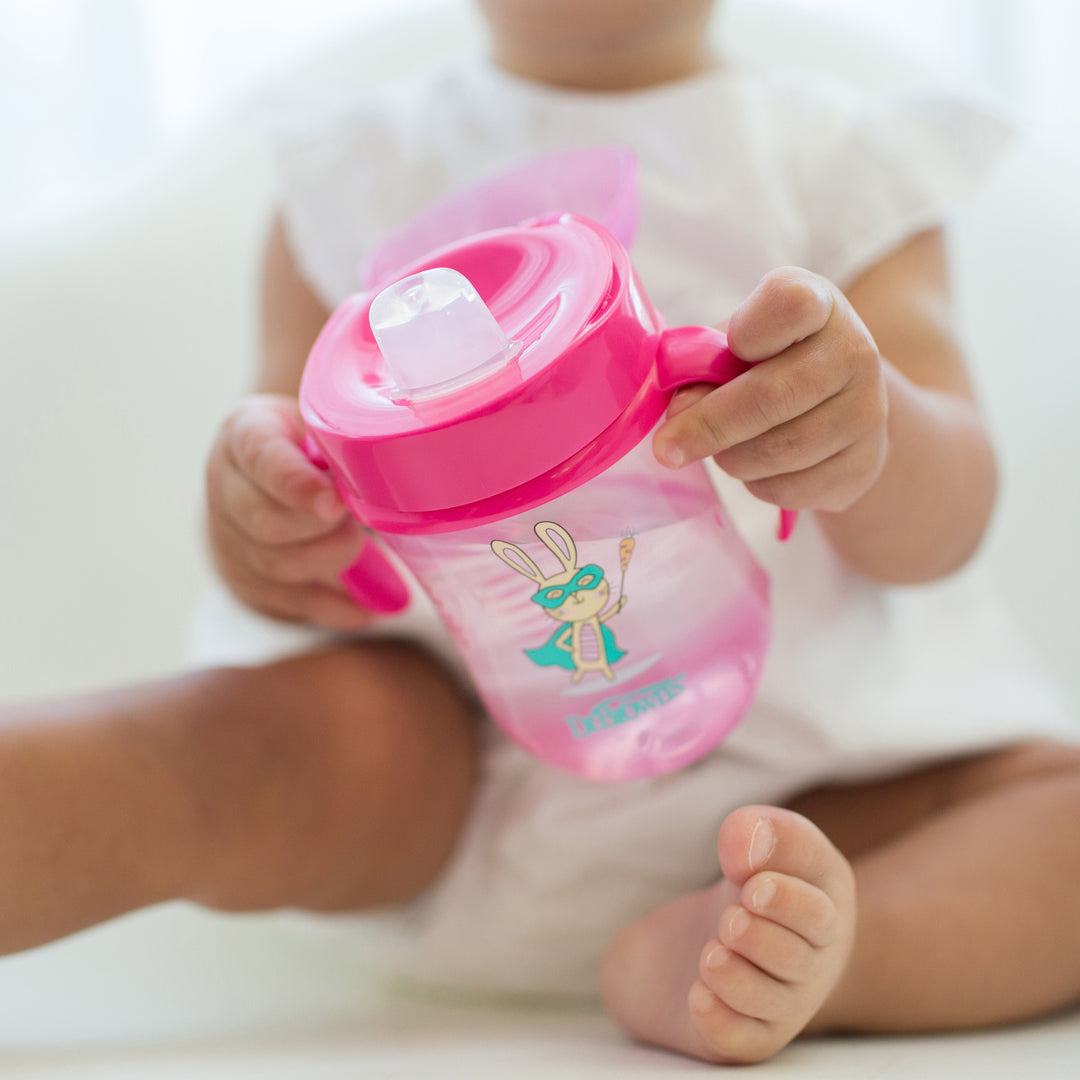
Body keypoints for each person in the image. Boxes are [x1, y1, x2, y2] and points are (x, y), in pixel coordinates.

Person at [2, 0, 1079, 1066]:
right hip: (435, 781)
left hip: (821, 781)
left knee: (1061, 826)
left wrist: (869, 433)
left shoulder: (842, 161)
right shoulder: (355, 174)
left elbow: (946, 528)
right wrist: (261, 521)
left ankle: (825, 948)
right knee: (222, 747)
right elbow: (285, 501)